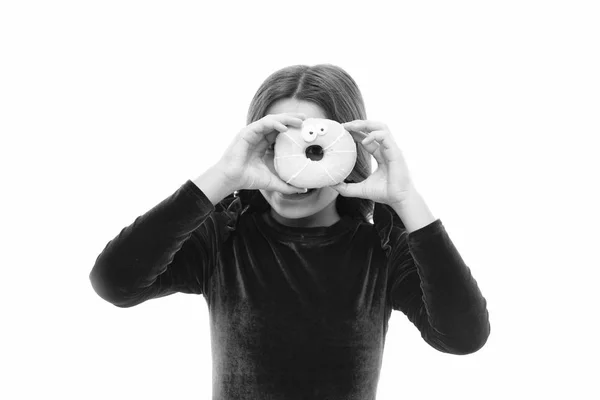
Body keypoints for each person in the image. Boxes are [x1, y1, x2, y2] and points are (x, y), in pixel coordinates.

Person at [89, 64, 491, 399]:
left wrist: (405, 199)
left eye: (314, 148)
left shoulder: (380, 251)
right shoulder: (224, 238)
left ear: (349, 151)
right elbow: (115, 282)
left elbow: (462, 337)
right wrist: (223, 177)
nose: (294, 171)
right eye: (278, 145)